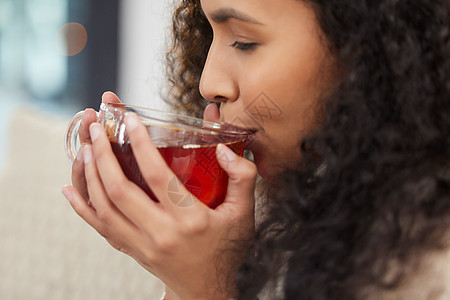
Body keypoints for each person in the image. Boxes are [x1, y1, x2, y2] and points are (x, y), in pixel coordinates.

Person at [62, 0, 450, 299]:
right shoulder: (281, 197)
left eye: (244, 42)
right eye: (208, 33)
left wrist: (207, 287)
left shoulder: (431, 258)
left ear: (366, 45)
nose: (208, 81)